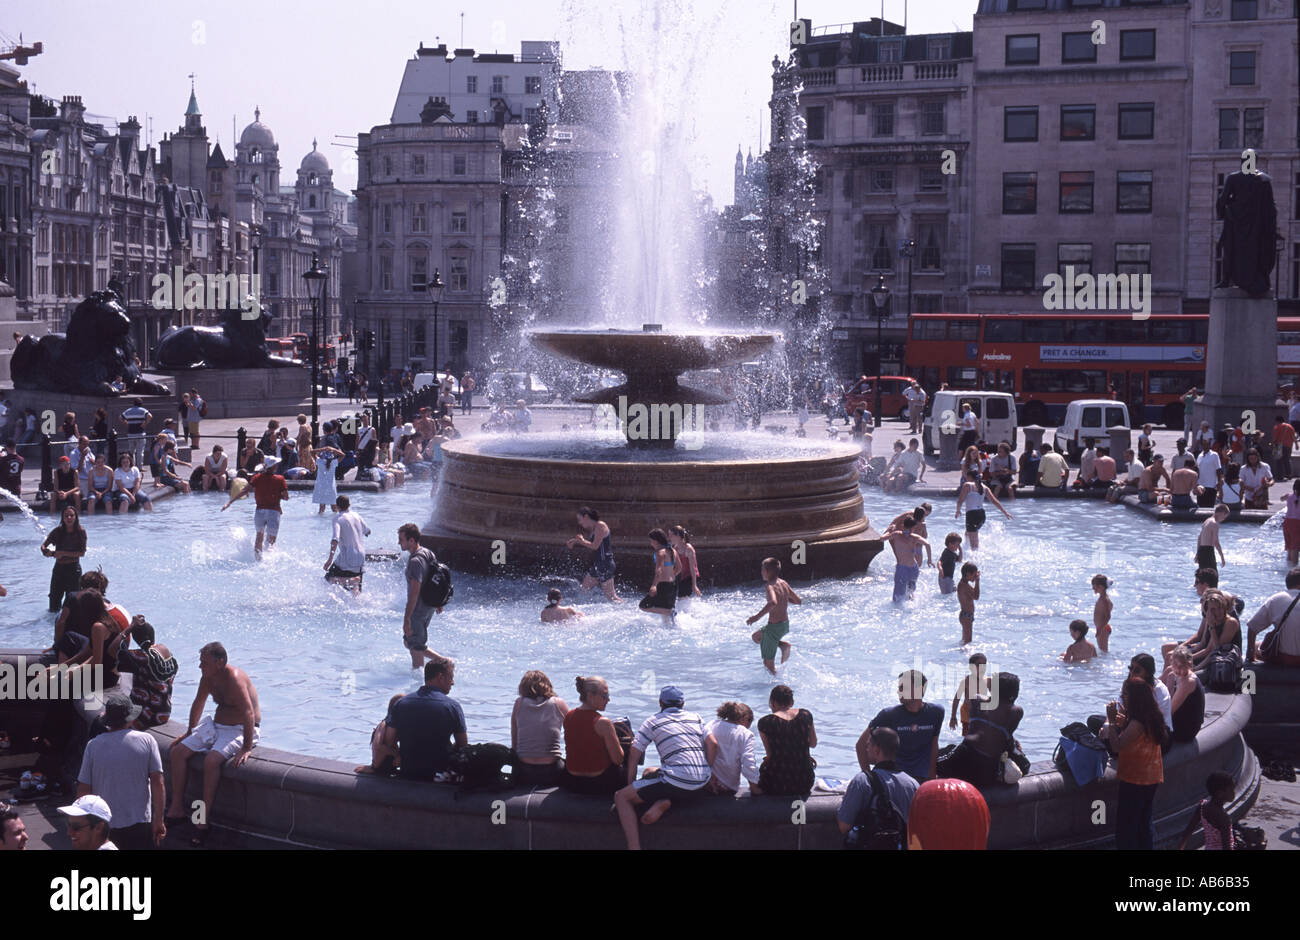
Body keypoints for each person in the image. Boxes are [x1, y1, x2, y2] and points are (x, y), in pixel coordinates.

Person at [165, 642, 260, 846]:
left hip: (239, 729)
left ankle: (202, 822)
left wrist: (246, 747)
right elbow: (198, 703)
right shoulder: (208, 678)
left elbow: (249, 713)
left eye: (204, 663)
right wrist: (189, 732)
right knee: (178, 752)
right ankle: (177, 809)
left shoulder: (234, 679)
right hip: (217, 726)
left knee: (211, 761)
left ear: (220, 662)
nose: (200, 666)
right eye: (200, 662)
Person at [614, 686, 710, 850]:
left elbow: (634, 755)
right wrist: (710, 771)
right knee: (649, 772)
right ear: (683, 703)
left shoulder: (652, 721)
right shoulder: (696, 717)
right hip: (702, 783)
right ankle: (664, 801)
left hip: (676, 781)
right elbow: (713, 743)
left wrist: (629, 785)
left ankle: (634, 846)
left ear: (660, 703)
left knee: (621, 797)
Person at [76, 693, 165, 849]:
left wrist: (83, 826)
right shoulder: (147, 741)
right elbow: (158, 783)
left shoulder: (93, 745)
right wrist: (159, 819)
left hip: (104, 825)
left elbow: (84, 789)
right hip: (139, 823)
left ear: (107, 721)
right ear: (131, 719)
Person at [1101, 678, 1168, 851]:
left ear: (1134, 698)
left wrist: (1112, 722)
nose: (1122, 698)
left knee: (1127, 828)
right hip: (1152, 777)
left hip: (1135, 779)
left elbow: (1116, 746)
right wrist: (1124, 722)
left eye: (1125, 695)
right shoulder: (1152, 715)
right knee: (1144, 824)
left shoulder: (1137, 723)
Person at [936, 672, 1023, 788]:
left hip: (961, 759)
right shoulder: (1016, 711)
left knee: (941, 755)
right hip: (986, 772)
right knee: (1021, 760)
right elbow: (1003, 735)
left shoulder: (977, 700)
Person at [387, 655, 467, 781]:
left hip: (408, 772)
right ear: (440, 677)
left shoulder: (401, 703)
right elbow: (463, 745)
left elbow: (389, 740)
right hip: (438, 776)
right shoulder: (452, 706)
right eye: (451, 678)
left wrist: (400, 755)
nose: (453, 682)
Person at [864, 670, 944, 783]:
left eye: (903, 687)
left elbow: (934, 745)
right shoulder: (888, 714)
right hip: (895, 779)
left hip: (922, 778)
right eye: (899, 688)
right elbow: (861, 746)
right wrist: (870, 780)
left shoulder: (936, 712)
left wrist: (931, 780)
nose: (898, 691)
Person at [558, 675, 626, 795]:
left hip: (572, 782)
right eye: (604, 696)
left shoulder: (569, 716)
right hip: (599, 784)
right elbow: (618, 759)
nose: (608, 699)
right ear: (590, 696)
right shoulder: (603, 723)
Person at [115, 616, 178, 729]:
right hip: (164, 712)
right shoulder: (166, 652)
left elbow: (113, 649)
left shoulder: (142, 657)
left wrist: (129, 628)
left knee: (105, 722)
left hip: (145, 714)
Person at [755, 684, 817, 795]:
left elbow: (770, 754)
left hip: (776, 782)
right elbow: (813, 743)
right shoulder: (806, 715)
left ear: (772, 703)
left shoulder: (765, 722)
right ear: (792, 702)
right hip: (804, 781)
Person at [511, 670, 569, 787]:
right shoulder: (559, 703)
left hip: (524, 768)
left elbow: (514, 740)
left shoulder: (518, 703)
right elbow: (574, 732)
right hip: (552, 769)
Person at [399, 522, 444, 668]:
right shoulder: (428, 552)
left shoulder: (415, 561)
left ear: (411, 540)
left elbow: (414, 592)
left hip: (418, 609)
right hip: (429, 606)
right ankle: (442, 661)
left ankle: (420, 683)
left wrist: (407, 618)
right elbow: (438, 577)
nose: (399, 543)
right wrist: (439, 602)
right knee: (409, 641)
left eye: (401, 540)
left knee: (416, 649)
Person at [746, 556, 801, 672]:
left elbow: (772, 602)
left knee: (768, 664)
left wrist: (755, 617)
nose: (761, 572)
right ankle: (783, 646)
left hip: (774, 627)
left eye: (762, 569)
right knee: (756, 637)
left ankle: (777, 684)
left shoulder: (770, 586)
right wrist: (784, 599)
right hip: (784, 624)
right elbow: (798, 601)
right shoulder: (784, 583)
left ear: (766, 572)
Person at [703, 702, 761, 796]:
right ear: (744, 719)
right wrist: (754, 787)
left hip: (706, 782)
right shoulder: (745, 734)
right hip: (728, 787)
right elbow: (748, 764)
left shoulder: (711, 724)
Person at [1246, 566, 1300, 665]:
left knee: (1256, 645)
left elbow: (1252, 628)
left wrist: (1250, 655)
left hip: (1284, 658)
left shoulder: (1276, 599)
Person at [567, 507, 620, 601]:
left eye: (580, 519)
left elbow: (595, 546)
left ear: (586, 517)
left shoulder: (600, 525)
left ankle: (628, 611)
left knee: (612, 598)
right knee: (583, 591)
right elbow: (593, 545)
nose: (579, 523)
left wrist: (581, 541)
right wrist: (576, 541)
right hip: (598, 565)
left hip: (605, 564)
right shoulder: (594, 529)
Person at [41, 505, 86, 612]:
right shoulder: (58, 531)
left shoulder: (80, 532)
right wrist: (48, 553)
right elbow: (43, 546)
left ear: (76, 517)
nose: (69, 518)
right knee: (54, 602)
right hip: (59, 569)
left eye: (71, 515)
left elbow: (82, 553)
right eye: (66, 516)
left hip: (73, 570)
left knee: (73, 603)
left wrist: (63, 553)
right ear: (63, 517)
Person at [1178, 772, 1235, 851]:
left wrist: (1180, 847)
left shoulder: (1202, 807)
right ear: (1220, 793)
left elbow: (1188, 831)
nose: (1234, 793)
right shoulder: (1223, 817)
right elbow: (1227, 847)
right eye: (1231, 790)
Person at [955, 470, 1011, 550]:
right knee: (968, 533)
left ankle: (975, 558)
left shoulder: (967, 485)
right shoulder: (985, 488)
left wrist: (958, 510)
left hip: (972, 515)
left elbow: (960, 500)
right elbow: (994, 501)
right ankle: (966, 549)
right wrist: (1005, 512)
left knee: (974, 545)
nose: (966, 478)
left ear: (970, 477)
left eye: (967, 477)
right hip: (981, 515)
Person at [881, 515, 929, 603]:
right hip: (914, 568)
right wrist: (929, 559)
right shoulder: (914, 537)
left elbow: (882, 539)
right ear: (914, 528)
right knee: (910, 593)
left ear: (903, 526)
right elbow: (927, 544)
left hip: (902, 568)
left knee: (897, 597)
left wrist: (889, 530)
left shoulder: (897, 534)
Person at [355, 694, 405, 776]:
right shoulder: (383, 724)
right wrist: (396, 754)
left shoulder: (396, 727)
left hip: (389, 765)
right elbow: (378, 745)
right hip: (378, 766)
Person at [250, 456, 289, 559]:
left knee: (259, 537)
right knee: (271, 540)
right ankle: (269, 560)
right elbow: (286, 497)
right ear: (274, 466)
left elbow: (245, 490)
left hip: (259, 511)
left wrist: (230, 502)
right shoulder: (280, 479)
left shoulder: (257, 477)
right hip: (273, 511)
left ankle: (257, 558)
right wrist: (277, 495)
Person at [1166, 646, 1205, 744]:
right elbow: (1152, 685)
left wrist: (1169, 687)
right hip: (1176, 720)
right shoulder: (1171, 673)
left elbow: (1169, 711)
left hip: (1185, 730)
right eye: (1175, 664)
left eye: (1181, 665)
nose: (1177, 669)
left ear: (1189, 665)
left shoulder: (1188, 682)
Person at [638, 528, 679, 618]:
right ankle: (670, 614)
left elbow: (659, 570)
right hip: (673, 584)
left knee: (643, 605)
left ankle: (669, 612)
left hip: (663, 585)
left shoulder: (660, 553)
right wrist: (671, 576)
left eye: (651, 541)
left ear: (656, 541)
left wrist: (654, 585)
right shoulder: (673, 551)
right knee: (666, 615)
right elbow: (679, 567)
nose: (651, 543)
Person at [950, 652, 991, 734]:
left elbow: (995, 698)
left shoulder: (988, 681)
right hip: (967, 713)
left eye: (984, 664)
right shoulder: (966, 681)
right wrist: (953, 717)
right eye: (979, 664)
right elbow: (957, 699)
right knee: (967, 736)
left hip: (981, 713)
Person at [668, 525, 702, 600]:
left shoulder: (688, 549)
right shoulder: (675, 548)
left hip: (690, 577)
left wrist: (694, 585)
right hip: (681, 576)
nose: (669, 538)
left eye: (671, 535)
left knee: (682, 599)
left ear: (678, 536)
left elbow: (693, 568)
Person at [312, 442, 343, 514]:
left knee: (321, 508)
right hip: (331, 487)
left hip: (321, 486)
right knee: (334, 507)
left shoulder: (319, 461)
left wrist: (323, 449)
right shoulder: (333, 463)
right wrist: (333, 449)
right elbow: (342, 455)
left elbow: (312, 452)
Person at [1196, 504, 1228, 571]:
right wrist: (1222, 557)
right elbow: (1216, 542)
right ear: (1221, 513)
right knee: (1213, 576)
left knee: (1202, 574)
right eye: (1224, 517)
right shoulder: (1215, 524)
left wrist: (1197, 553)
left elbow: (1199, 538)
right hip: (1208, 551)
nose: (1223, 519)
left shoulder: (1206, 521)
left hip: (1201, 550)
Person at [957, 562, 979, 644]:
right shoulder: (964, 586)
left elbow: (974, 594)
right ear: (968, 574)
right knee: (968, 642)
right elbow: (976, 596)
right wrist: (977, 582)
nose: (975, 577)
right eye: (974, 575)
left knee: (965, 641)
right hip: (966, 616)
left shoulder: (964, 584)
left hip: (967, 615)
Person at [1196, 442, 1223, 508]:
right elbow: (1197, 470)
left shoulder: (1214, 455)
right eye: (1203, 444)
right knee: (1200, 507)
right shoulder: (1199, 456)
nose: (1205, 445)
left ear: (1209, 445)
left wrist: (1219, 483)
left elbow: (1218, 469)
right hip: (1200, 486)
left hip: (1211, 486)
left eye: (1207, 444)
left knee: (1209, 508)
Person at [1092, 573, 1114, 652]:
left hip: (1103, 628)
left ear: (1100, 587)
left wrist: (1099, 629)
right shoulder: (1102, 598)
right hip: (1101, 627)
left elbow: (1108, 616)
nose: (1092, 588)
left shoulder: (1104, 600)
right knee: (1102, 650)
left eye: (1094, 586)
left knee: (1103, 651)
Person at [1271, 416, 1295, 481]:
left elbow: (1275, 438)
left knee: (1279, 461)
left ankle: (1280, 476)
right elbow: (1293, 437)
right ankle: (1289, 474)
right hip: (1289, 446)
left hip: (1279, 446)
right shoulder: (1290, 427)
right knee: (1287, 460)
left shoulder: (1277, 427)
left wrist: (1271, 444)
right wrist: (1296, 444)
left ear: (1277, 421)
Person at [1285, 479, 1300, 567]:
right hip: (1297, 523)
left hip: (1287, 523)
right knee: (1295, 546)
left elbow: (1281, 498)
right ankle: (1295, 568)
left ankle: (1288, 566)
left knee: (1289, 546)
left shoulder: (1289, 496)